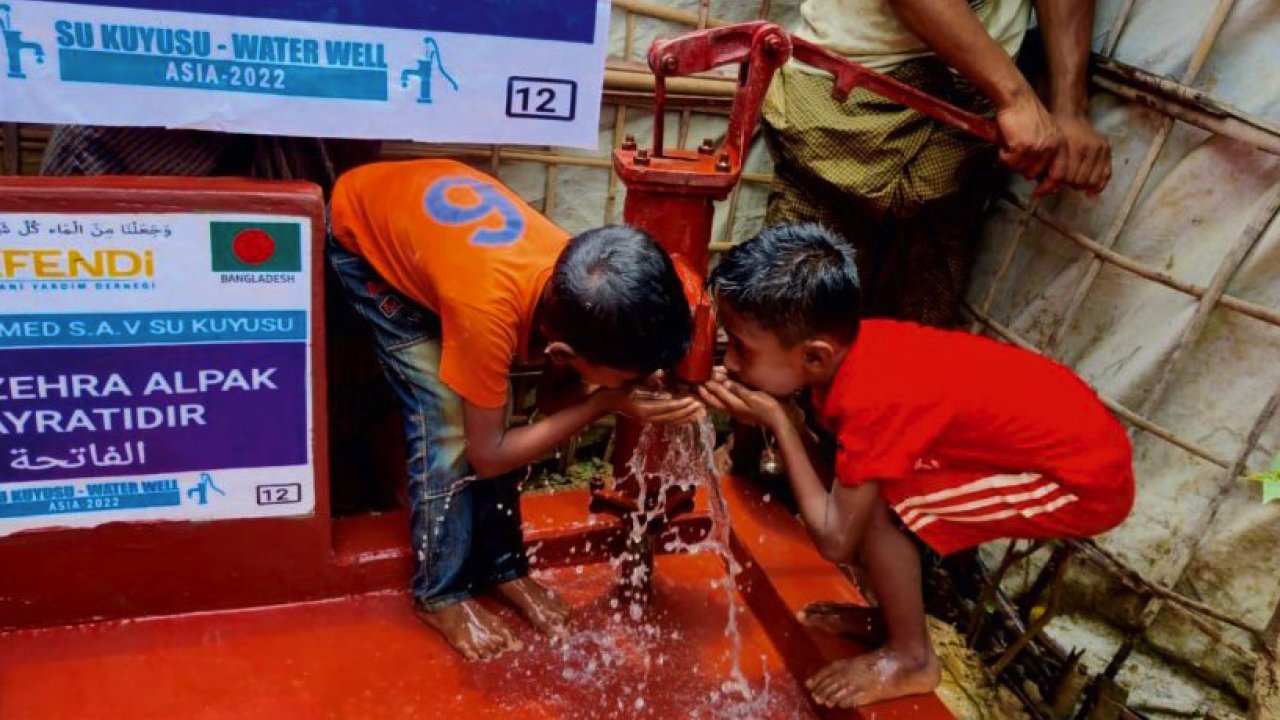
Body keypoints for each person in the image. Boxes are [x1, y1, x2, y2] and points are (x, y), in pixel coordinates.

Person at [699, 224, 1133, 706]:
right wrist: (790, 423)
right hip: (1051, 440)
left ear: (815, 356)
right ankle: (892, 623)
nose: (730, 363)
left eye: (742, 348)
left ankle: (911, 658)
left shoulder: (874, 398)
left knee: (887, 505)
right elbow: (841, 491)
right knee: (871, 494)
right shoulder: (852, 358)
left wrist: (781, 423)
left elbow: (837, 538)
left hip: (1078, 479)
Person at [329, 159, 701, 660]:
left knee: (486, 403)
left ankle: (503, 568)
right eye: (632, 377)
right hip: (360, 238)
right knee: (448, 418)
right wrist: (606, 402)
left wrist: (623, 387)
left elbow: (551, 400)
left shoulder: (579, 284)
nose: (637, 386)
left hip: (440, 237)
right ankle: (440, 593)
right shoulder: (489, 312)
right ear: (561, 354)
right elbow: (488, 455)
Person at [762, 0, 1112, 326]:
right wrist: (1016, 98)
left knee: (918, 331)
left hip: (965, 127)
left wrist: (1069, 108)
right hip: (844, 105)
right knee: (793, 317)